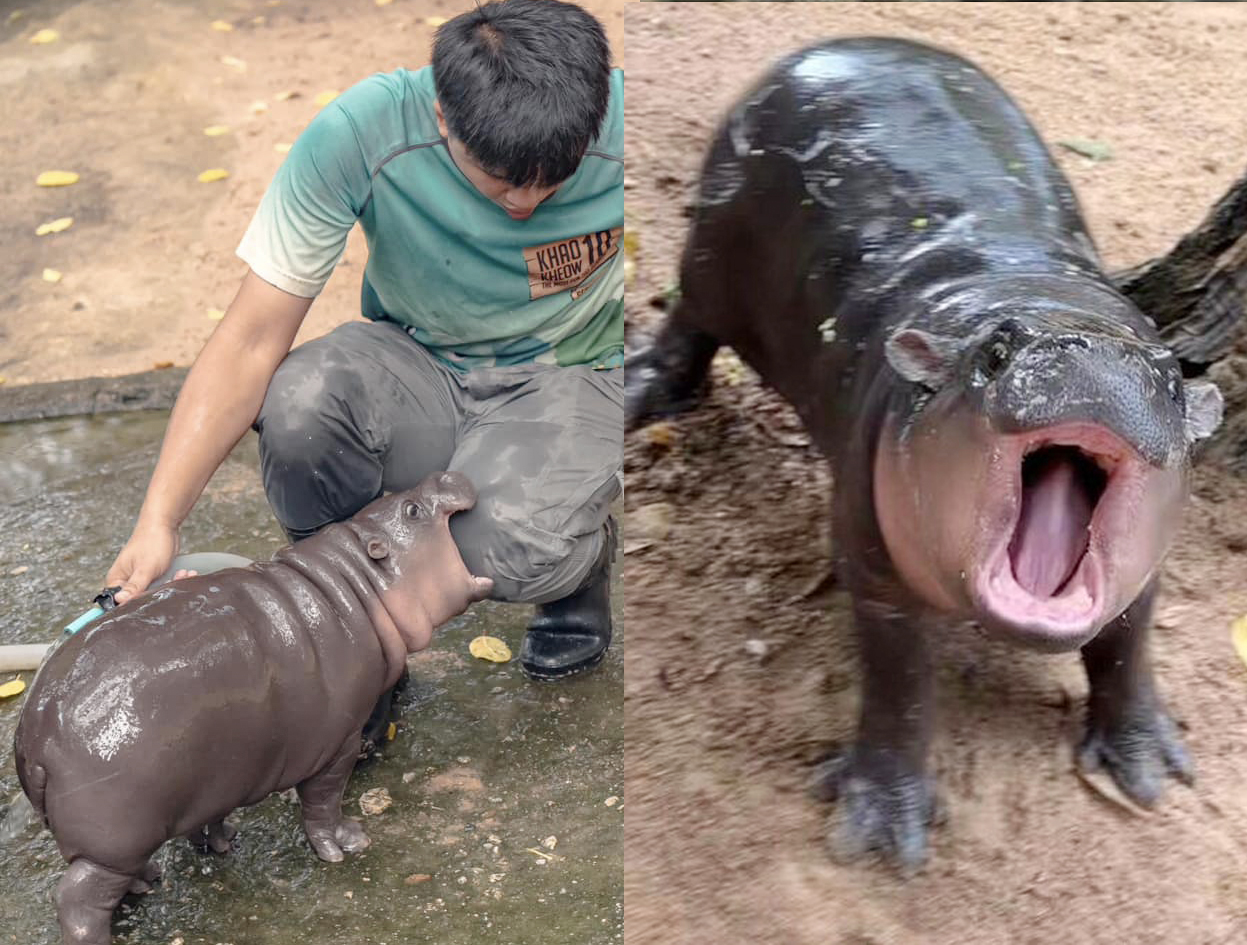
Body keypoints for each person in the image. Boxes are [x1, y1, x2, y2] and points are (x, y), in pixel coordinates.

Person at [103, 0, 623, 755]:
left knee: (492, 551)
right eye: (502, 179)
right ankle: (358, 652)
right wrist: (160, 520)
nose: (525, 203)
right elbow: (251, 339)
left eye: (553, 180)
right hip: (419, 358)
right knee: (300, 406)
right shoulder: (361, 130)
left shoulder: (627, 126)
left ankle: (575, 568)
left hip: (568, 372)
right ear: (444, 118)